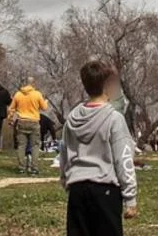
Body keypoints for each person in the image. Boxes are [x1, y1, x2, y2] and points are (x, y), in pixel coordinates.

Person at [60, 60, 139, 236]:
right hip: (105, 191)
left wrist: (66, 181)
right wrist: (130, 197)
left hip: (77, 190)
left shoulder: (72, 119)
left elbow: (64, 152)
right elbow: (123, 159)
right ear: (107, 86)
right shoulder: (114, 119)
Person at [8, 77, 48, 174]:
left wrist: (10, 119)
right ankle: (34, 168)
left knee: (21, 145)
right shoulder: (37, 94)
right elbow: (44, 108)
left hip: (21, 121)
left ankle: (21, 167)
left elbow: (11, 109)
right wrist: (45, 102)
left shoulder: (18, 94)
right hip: (34, 121)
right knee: (35, 146)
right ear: (33, 84)